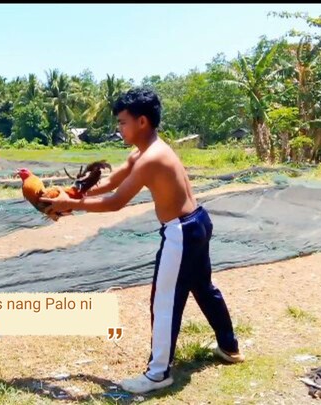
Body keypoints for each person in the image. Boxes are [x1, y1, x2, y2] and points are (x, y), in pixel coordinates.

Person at [41, 88, 245, 394]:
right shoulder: (143, 152)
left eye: (123, 122)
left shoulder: (152, 158)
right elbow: (110, 183)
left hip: (181, 232)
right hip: (198, 222)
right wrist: (71, 195)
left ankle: (159, 373)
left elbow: (116, 202)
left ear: (142, 122)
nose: (119, 128)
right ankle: (229, 347)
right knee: (203, 287)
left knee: (164, 301)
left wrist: (70, 207)